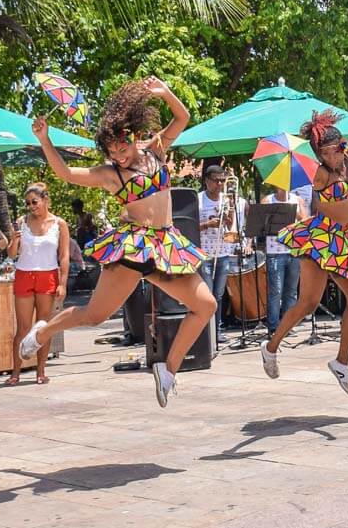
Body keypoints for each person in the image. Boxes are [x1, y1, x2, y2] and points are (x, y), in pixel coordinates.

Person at [21, 78, 216, 407]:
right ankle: (41, 333)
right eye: (112, 152)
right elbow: (67, 173)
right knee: (95, 316)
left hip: (165, 245)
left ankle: (167, 371)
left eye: (122, 149)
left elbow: (181, 118)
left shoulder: (156, 150)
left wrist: (166, 93)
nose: (118, 156)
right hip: (134, 246)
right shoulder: (111, 174)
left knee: (206, 306)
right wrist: (45, 139)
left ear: (135, 138)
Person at [260, 111, 348, 395]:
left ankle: (341, 363)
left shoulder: (345, 161)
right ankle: (271, 347)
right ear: (320, 154)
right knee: (308, 302)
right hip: (321, 240)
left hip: (344, 239)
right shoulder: (319, 172)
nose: (337, 155)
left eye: (340, 149)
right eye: (330, 151)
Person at [4, 183, 69, 386]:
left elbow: (64, 255)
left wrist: (63, 283)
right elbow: (11, 254)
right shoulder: (21, 222)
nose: (32, 206)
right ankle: (15, 372)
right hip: (24, 274)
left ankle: (41, 371)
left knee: (43, 326)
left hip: (48, 275)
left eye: (35, 201)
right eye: (28, 203)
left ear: (45, 199)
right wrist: (13, 241)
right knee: (23, 328)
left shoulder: (59, 224)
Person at [198, 164, 244, 343]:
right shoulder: (198, 200)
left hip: (223, 252)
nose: (219, 184)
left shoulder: (227, 198)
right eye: (216, 181)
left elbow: (231, 223)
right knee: (207, 296)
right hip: (205, 253)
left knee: (217, 295)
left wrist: (231, 207)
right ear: (207, 181)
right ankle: (205, 333)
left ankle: (215, 331)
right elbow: (188, 225)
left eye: (222, 181)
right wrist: (208, 225)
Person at [262, 184, 306, 336]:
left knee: (292, 291)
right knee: (276, 291)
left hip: (294, 250)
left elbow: (305, 222)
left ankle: (288, 325)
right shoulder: (268, 201)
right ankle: (273, 327)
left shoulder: (297, 199)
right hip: (275, 250)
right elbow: (262, 225)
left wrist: (296, 212)